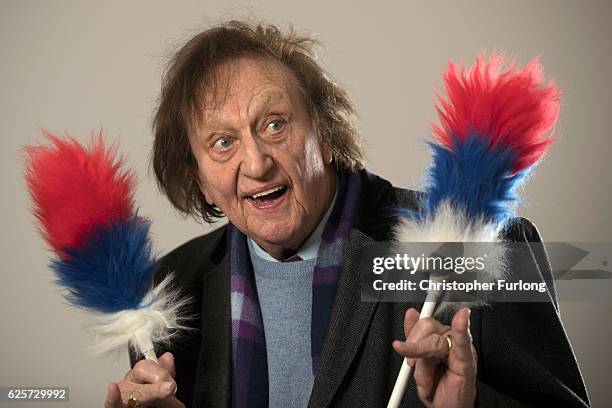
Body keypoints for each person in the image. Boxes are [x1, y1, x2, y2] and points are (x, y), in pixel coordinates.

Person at [104, 21, 589, 408]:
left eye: (275, 125)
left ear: (326, 133)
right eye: (223, 142)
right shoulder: (167, 294)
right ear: (197, 174)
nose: (255, 163)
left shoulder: (477, 247)